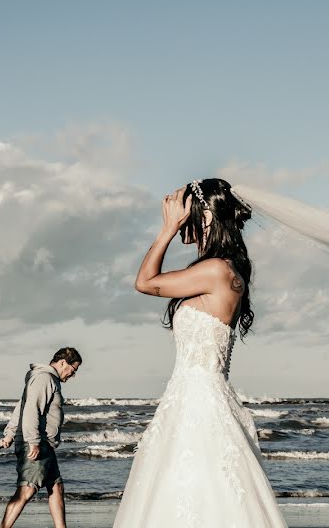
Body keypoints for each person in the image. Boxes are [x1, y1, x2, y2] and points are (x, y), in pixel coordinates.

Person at [113, 179, 288, 527]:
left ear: (205, 215)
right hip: (196, 398)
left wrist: (166, 229)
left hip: (197, 402)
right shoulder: (223, 270)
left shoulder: (216, 271)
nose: (179, 218)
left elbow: (145, 282)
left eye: (186, 210)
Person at [0, 347, 82, 528]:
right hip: (36, 442)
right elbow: (30, 409)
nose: (72, 375)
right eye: (73, 370)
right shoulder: (44, 378)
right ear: (62, 363)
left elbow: (21, 406)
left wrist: (10, 433)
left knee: (56, 487)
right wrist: (33, 442)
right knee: (26, 490)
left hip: (44, 444)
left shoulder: (47, 379)